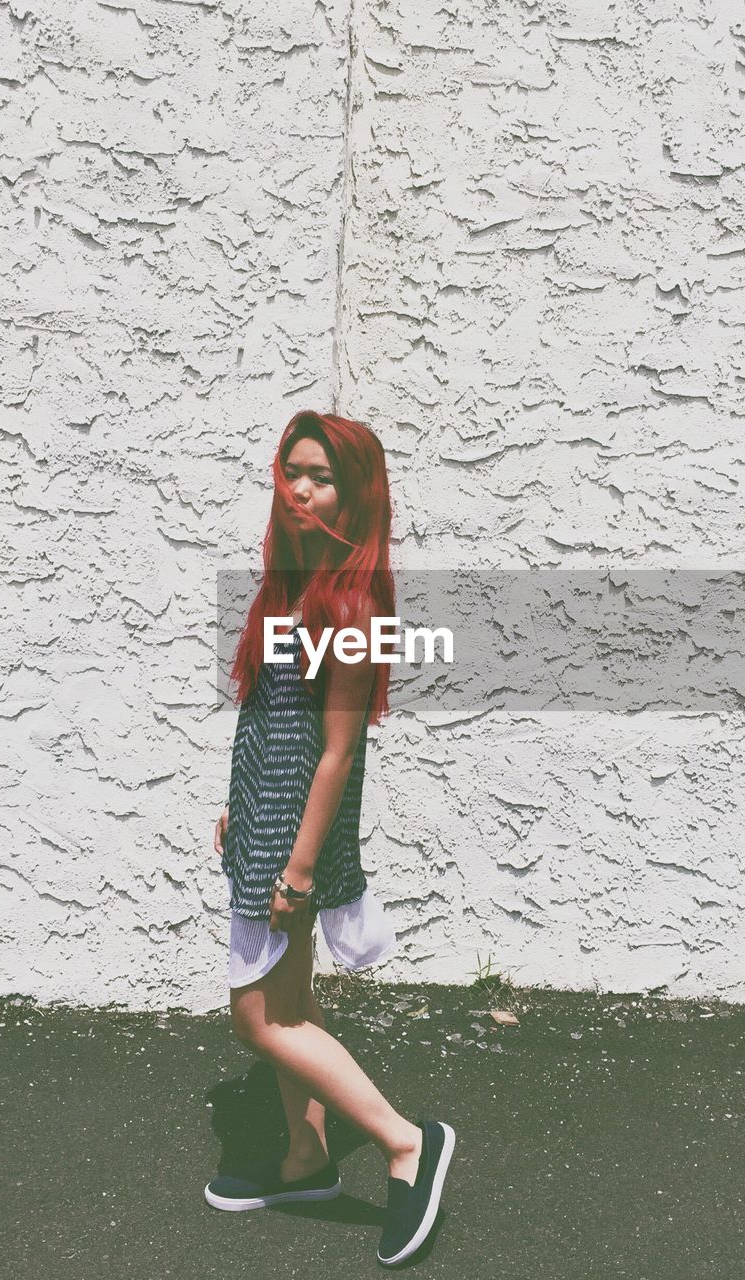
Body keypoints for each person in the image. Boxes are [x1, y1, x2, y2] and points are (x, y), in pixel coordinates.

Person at [205, 409, 455, 1267]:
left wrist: (299, 869)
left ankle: (405, 1142)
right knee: (293, 1005)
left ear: (355, 497)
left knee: (257, 1020)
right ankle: (304, 1158)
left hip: (293, 848)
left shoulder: (347, 604)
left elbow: (339, 754)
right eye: (293, 471)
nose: (302, 489)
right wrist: (241, 806)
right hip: (268, 827)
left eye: (323, 477)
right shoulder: (289, 586)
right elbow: (278, 727)